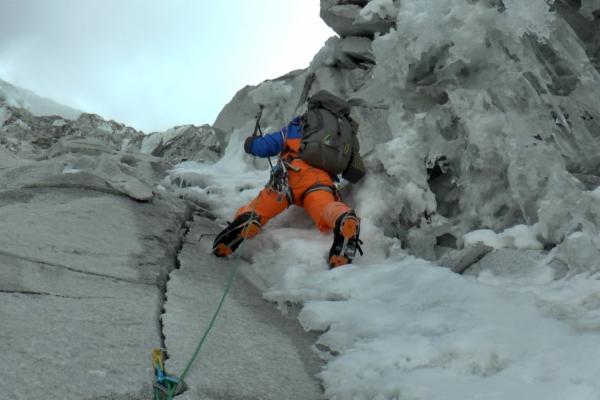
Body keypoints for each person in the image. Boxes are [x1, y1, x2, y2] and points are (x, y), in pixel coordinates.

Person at [212, 90, 364, 268]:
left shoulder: (301, 124)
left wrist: (251, 144)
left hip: (290, 174)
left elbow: (268, 145)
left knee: (261, 207)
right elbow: (353, 169)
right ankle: (342, 218)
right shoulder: (345, 130)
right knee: (324, 209)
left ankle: (249, 220)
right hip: (322, 180)